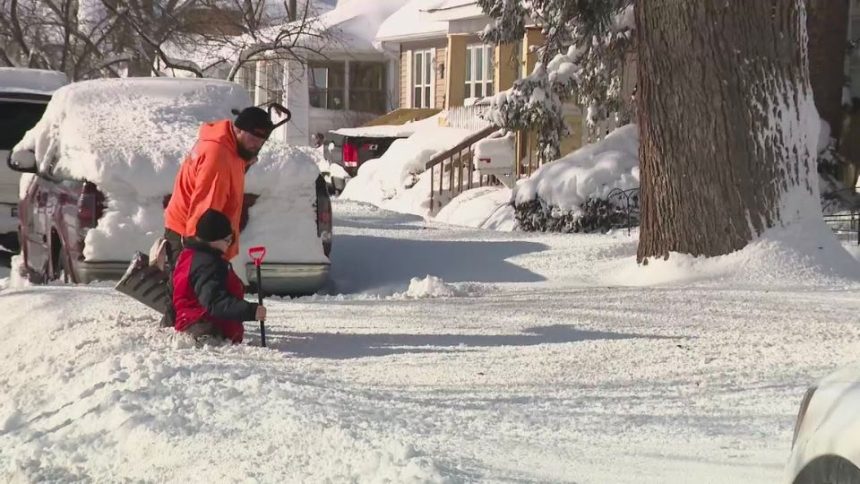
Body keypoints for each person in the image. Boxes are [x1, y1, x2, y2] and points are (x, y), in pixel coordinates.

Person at [159, 107, 275, 327]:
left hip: (191, 228)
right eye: (253, 137)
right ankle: (176, 336)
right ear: (238, 129)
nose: (257, 145)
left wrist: (245, 162)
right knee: (190, 291)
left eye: (262, 141)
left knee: (187, 287)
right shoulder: (218, 157)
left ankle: (182, 328)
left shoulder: (229, 147)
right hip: (194, 233)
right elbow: (205, 209)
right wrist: (205, 249)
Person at [172, 209, 266, 344]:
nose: (229, 244)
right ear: (213, 239)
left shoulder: (189, 256)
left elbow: (175, 292)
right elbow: (214, 302)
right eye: (227, 240)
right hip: (206, 328)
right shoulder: (208, 264)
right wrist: (251, 311)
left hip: (194, 323)